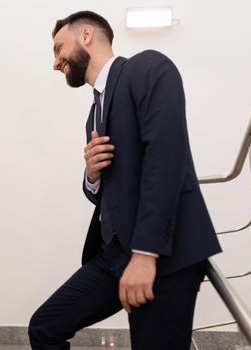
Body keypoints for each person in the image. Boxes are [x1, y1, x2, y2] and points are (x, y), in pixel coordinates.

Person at [28, 11, 221, 350]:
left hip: (163, 257)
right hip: (113, 257)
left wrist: (146, 254)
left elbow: (165, 159)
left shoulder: (148, 67)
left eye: (58, 49)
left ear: (86, 35)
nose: (56, 63)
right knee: (45, 327)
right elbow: (110, 193)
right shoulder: (95, 112)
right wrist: (91, 175)